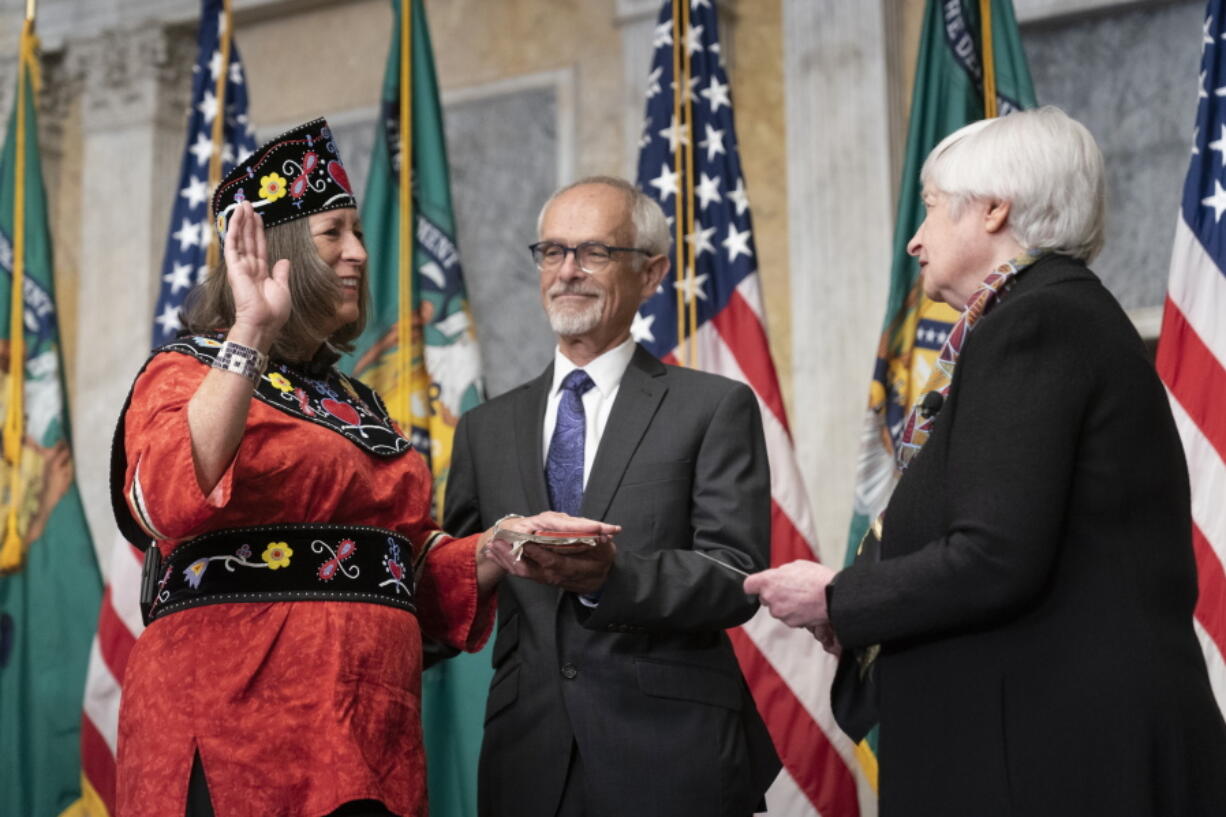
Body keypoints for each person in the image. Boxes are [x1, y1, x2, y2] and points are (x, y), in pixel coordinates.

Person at [110, 119, 615, 817]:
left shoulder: (358, 401)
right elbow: (168, 498)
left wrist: (501, 544)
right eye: (334, 233)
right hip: (236, 731)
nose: (358, 253)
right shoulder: (184, 371)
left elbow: (402, 568)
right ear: (278, 251)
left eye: (359, 232)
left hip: (367, 735)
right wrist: (250, 330)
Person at [745, 107, 1226, 816]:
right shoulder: (1051, 314)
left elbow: (994, 554)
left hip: (1056, 762)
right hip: (1051, 748)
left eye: (933, 209)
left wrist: (837, 598)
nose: (914, 239)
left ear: (995, 208)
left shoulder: (1038, 322)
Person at [444, 176, 781, 817]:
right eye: (552, 252)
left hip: (671, 754)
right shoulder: (485, 428)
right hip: (527, 759)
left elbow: (736, 574)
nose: (568, 272)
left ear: (651, 274)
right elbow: (458, 575)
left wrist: (610, 576)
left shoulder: (712, 407)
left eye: (594, 252)